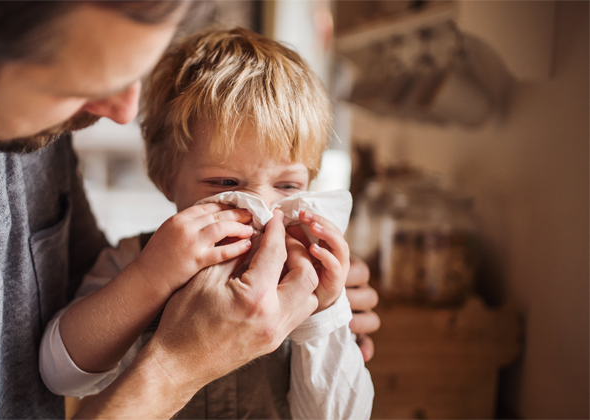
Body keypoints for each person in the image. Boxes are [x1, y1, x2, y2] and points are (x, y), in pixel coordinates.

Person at [0, 2, 380, 419]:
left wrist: (328, 313)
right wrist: (178, 356)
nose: (123, 113)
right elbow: (62, 366)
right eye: (78, 85)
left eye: (288, 184)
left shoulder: (28, 126)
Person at [40, 27, 374, 419]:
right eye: (226, 184)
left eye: (287, 185)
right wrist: (151, 277)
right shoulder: (134, 260)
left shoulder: (306, 279)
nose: (261, 209)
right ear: (167, 177)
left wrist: (326, 313)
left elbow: (339, 415)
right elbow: (60, 376)